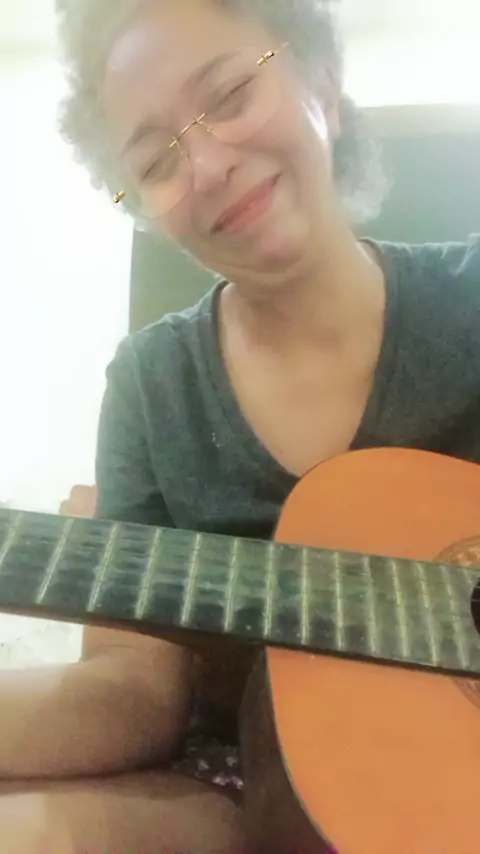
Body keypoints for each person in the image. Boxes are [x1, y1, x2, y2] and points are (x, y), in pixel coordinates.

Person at [2, 0, 480, 852]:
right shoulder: (152, 383)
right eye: (156, 160)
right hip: (246, 788)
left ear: (320, 81)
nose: (210, 165)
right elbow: (131, 689)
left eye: (227, 96)